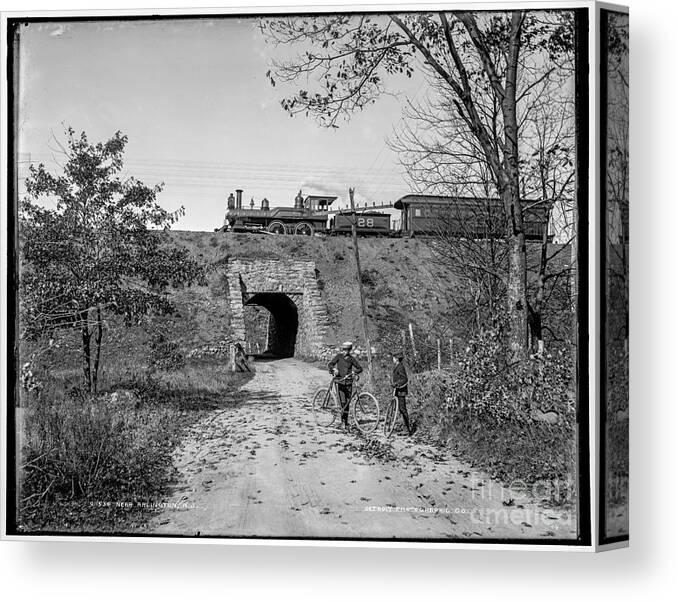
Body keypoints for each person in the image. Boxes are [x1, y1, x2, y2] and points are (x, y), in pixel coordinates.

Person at [327, 342, 363, 429]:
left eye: (346, 350)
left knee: (347, 403)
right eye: (343, 350)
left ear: (349, 350)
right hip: (340, 382)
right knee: (343, 402)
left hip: (349, 383)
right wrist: (334, 369)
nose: (344, 351)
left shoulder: (351, 359)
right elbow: (330, 364)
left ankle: (346, 422)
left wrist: (354, 372)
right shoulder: (338, 357)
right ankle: (343, 422)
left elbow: (360, 368)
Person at [391, 352, 414, 436]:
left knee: (403, 409)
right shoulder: (397, 366)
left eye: (393, 358)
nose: (392, 359)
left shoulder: (400, 367)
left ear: (396, 359)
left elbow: (404, 379)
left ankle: (407, 429)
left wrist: (396, 384)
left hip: (401, 391)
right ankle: (405, 428)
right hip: (398, 390)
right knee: (401, 409)